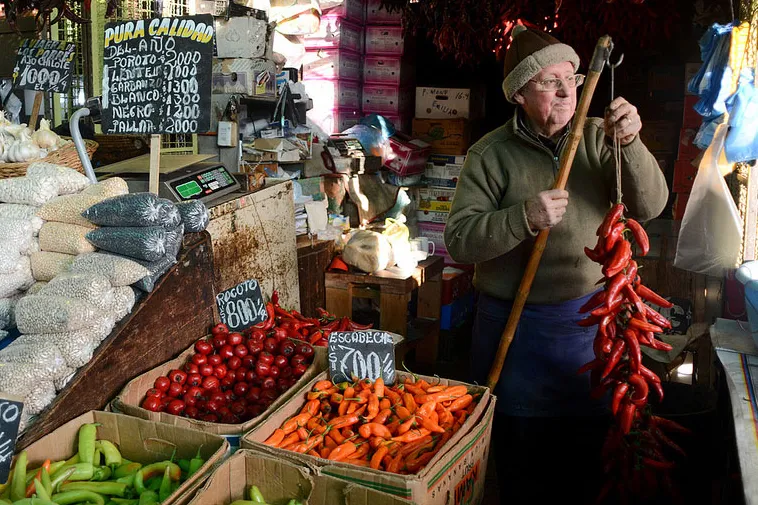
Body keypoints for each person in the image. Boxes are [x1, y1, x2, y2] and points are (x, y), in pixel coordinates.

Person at [443, 25, 669, 504]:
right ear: (520, 95)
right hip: (514, 328)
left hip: (588, 326)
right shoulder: (490, 155)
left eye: (572, 77)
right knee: (523, 465)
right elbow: (460, 241)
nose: (568, 91)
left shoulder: (598, 137)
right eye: (549, 82)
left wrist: (629, 143)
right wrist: (523, 217)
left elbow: (650, 206)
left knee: (587, 463)